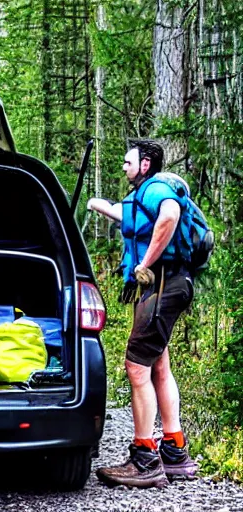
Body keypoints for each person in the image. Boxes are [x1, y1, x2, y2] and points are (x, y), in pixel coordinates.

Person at [88, 139, 199, 489]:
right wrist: (98, 205)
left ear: (146, 164)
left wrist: (144, 264)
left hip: (163, 283)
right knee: (159, 365)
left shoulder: (155, 188)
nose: (123, 166)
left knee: (136, 366)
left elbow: (169, 215)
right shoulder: (141, 196)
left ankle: (144, 457)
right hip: (170, 284)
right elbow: (130, 216)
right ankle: (174, 450)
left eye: (127, 161)